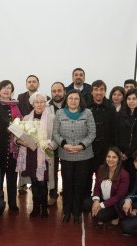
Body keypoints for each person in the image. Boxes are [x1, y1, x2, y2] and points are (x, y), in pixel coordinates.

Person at [53, 89, 96, 224]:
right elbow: (55, 133)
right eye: (70, 98)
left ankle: (76, 213)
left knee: (79, 185)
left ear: (80, 100)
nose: (73, 101)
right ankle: (66, 212)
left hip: (83, 154)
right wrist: (64, 145)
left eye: (76, 98)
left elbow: (92, 133)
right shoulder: (59, 113)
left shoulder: (87, 113)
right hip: (66, 154)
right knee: (67, 184)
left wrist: (81, 146)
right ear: (66, 100)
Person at [16, 92, 57, 218]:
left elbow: (56, 137)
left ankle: (44, 209)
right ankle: (35, 208)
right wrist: (19, 141)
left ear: (45, 103)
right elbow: (17, 137)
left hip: (45, 154)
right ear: (32, 104)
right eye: (37, 102)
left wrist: (52, 145)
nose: (39, 104)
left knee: (43, 183)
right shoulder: (26, 118)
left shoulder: (52, 118)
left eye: (42, 102)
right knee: (34, 183)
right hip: (31, 155)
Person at [0, 80, 22, 211]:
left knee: (12, 177)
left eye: (9, 88)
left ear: (12, 90)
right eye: (3, 88)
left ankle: (13, 203)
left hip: (14, 149)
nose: (6, 90)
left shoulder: (16, 106)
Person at [83, 147, 129, 227]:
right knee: (86, 203)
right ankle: (100, 214)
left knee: (99, 215)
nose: (111, 159)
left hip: (114, 204)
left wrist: (101, 205)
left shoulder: (124, 174)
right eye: (109, 156)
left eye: (114, 157)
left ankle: (115, 216)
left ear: (119, 159)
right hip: (102, 199)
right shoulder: (101, 168)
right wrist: (97, 201)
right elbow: (97, 186)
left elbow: (118, 197)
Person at [85, 80, 116, 198]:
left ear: (105, 92)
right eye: (96, 89)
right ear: (92, 91)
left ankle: (100, 199)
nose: (99, 92)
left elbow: (114, 129)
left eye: (101, 89)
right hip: (88, 148)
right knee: (86, 177)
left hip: (105, 150)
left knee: (103, 177)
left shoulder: (110, 108)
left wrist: (112, 149)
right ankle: (87, 200)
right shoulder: (85, 106)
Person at [115, 88, 137, 189]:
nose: (131, 101)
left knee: (133, 182)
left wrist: (128, 153)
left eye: (134, 99)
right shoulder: (120, 115)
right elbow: (116, 134)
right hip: (120, 154)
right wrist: (120, 152)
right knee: (120, 181)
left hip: (135, 154)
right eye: (129, 98)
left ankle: (131, 202)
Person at [47, 82, 66, 206]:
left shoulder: (70, 105)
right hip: (51, 144)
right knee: (51, 171)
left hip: (66, 144)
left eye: (59, 90)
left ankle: (66, 192)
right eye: (54, 91)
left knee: (66, 170)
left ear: (64, 91)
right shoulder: (46, 107)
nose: (57, 93)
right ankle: (53, 194)